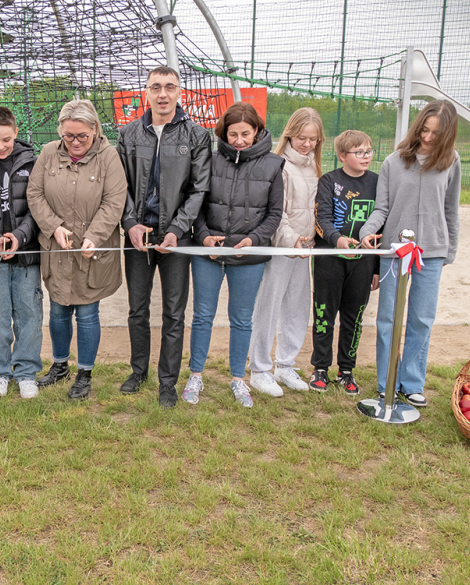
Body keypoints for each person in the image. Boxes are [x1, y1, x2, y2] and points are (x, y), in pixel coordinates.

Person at [117, 65, 211, 408]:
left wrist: (175, 228)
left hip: (176, 238)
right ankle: (138, 371)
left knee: (174, 312)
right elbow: (120, 187)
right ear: (146, 92)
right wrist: (130, 223)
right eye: (155, 87)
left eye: (169, 87)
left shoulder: (197, 136)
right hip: (138, 236)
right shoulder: (128, 134)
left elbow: (199, 189)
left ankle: (167, 381)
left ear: (179, 92)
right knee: (137, 309)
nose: (162, 94)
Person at [360, 100, 461, 408]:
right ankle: (386, 382)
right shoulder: (394, 161)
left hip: (430, 253)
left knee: (421, 318)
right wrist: (366, 231)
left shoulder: (451, 161)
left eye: (436, 133)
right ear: (418, 127)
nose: (429, 138)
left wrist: (449, 248)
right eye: (425, 130)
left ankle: (412, 382)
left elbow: (450, 209)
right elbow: (382, 208)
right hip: (395, 253)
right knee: (388, 318)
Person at [183, 103, 284, 408]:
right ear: (223, 133)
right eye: (233, 134)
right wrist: (203, 237)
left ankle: (239, 379)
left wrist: (254, 238)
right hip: (209, 254)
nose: (239, 140)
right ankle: (195, 375)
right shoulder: (209, 161)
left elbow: (274, 213)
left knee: (241, 319)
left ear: (257, 131)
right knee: (202, 316)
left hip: (248, 257)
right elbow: (196, 204)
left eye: (245, 133)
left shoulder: (274, 165)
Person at [27, 99, 127, 400]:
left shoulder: (109, 156)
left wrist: (94, 236)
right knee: (57, 310)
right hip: (58, 250)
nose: (75, 142)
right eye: (68, 135)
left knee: (86, 312)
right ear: (60, 130)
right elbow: (35, 193)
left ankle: (84, 373)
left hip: (92, 252)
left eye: (82, 135)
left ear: (94, 129)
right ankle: (60, 366)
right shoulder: (47, 154)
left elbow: (114, 202)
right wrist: (54, 227)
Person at [248, 107, 325, 396]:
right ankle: (259, 369)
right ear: (290, 135)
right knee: (269, 307)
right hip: (281, 247)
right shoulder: (278, 165)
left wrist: (312, 239)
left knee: (297, 307)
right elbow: (275, 212)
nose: (307, 144)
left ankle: (285, 365)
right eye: (302, 138)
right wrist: (291, 239)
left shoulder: (313, 167)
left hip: (305, 250)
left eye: (313, 140)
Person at [0, 106, 43, 399]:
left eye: (6, 139)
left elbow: (37, 207)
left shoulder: (34, 162)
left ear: (16, 132)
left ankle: (26, 372)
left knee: (29, 313)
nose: (1, 146)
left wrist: (19, 236)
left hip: (27, 254)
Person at [310, 130, 380, 394]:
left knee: (354, 317)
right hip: (329, 259)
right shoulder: (329, 181)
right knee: (324, 315)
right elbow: (321, 218)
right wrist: (337, 239)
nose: (366, 156)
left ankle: (346, 370)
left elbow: (382, 221)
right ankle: (319, 369)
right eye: (359, 152)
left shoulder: (378, 182)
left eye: (369, 151)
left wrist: (376, 268)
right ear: (342, 155)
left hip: (363, 263)